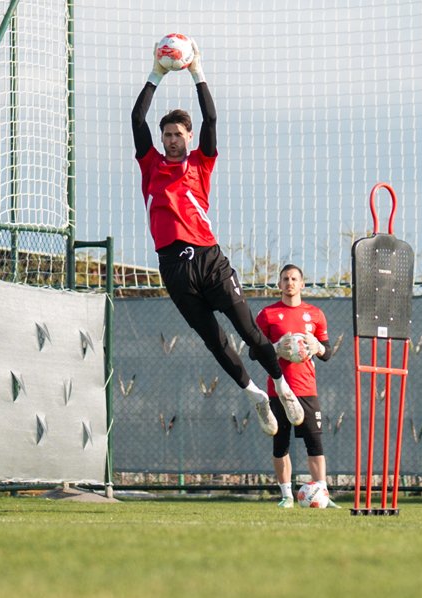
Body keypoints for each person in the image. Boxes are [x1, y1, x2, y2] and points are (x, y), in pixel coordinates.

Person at [130, 38, 303, 437]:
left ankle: (281, 384)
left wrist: (195, 70)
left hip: (210, 260)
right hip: (173, 267)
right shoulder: (151, 165)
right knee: (214, 340)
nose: (172, 139)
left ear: (189, 138)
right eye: (167, 134)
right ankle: (255, 394)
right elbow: (137, 120)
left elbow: (211, 118)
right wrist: (156, 73)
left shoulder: (200, 164)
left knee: (248, 331)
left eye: (178, 134)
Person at [256, 265, 337, 508]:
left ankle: (322, 494)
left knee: (315, 443)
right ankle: (286, 496)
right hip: (278, 390)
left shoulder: (315, 314)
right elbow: (253, 351)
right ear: (279, 284)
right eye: (285, 279)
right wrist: (275, 348)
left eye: (294, 279)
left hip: (307, 389)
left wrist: (317, 347)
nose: (289, 282)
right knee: (280, 443)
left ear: (302, 284)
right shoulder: (267, 315)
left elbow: (327, 352)